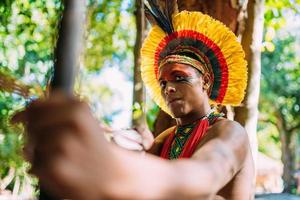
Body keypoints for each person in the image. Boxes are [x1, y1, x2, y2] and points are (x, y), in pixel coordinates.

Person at [13, 6, 254, 200]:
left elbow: (202, 179)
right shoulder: (165, 139)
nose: (168, 88)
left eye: (179, 77)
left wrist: (108, 165)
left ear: (206, 81)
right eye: (162, 83)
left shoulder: (231, 132)